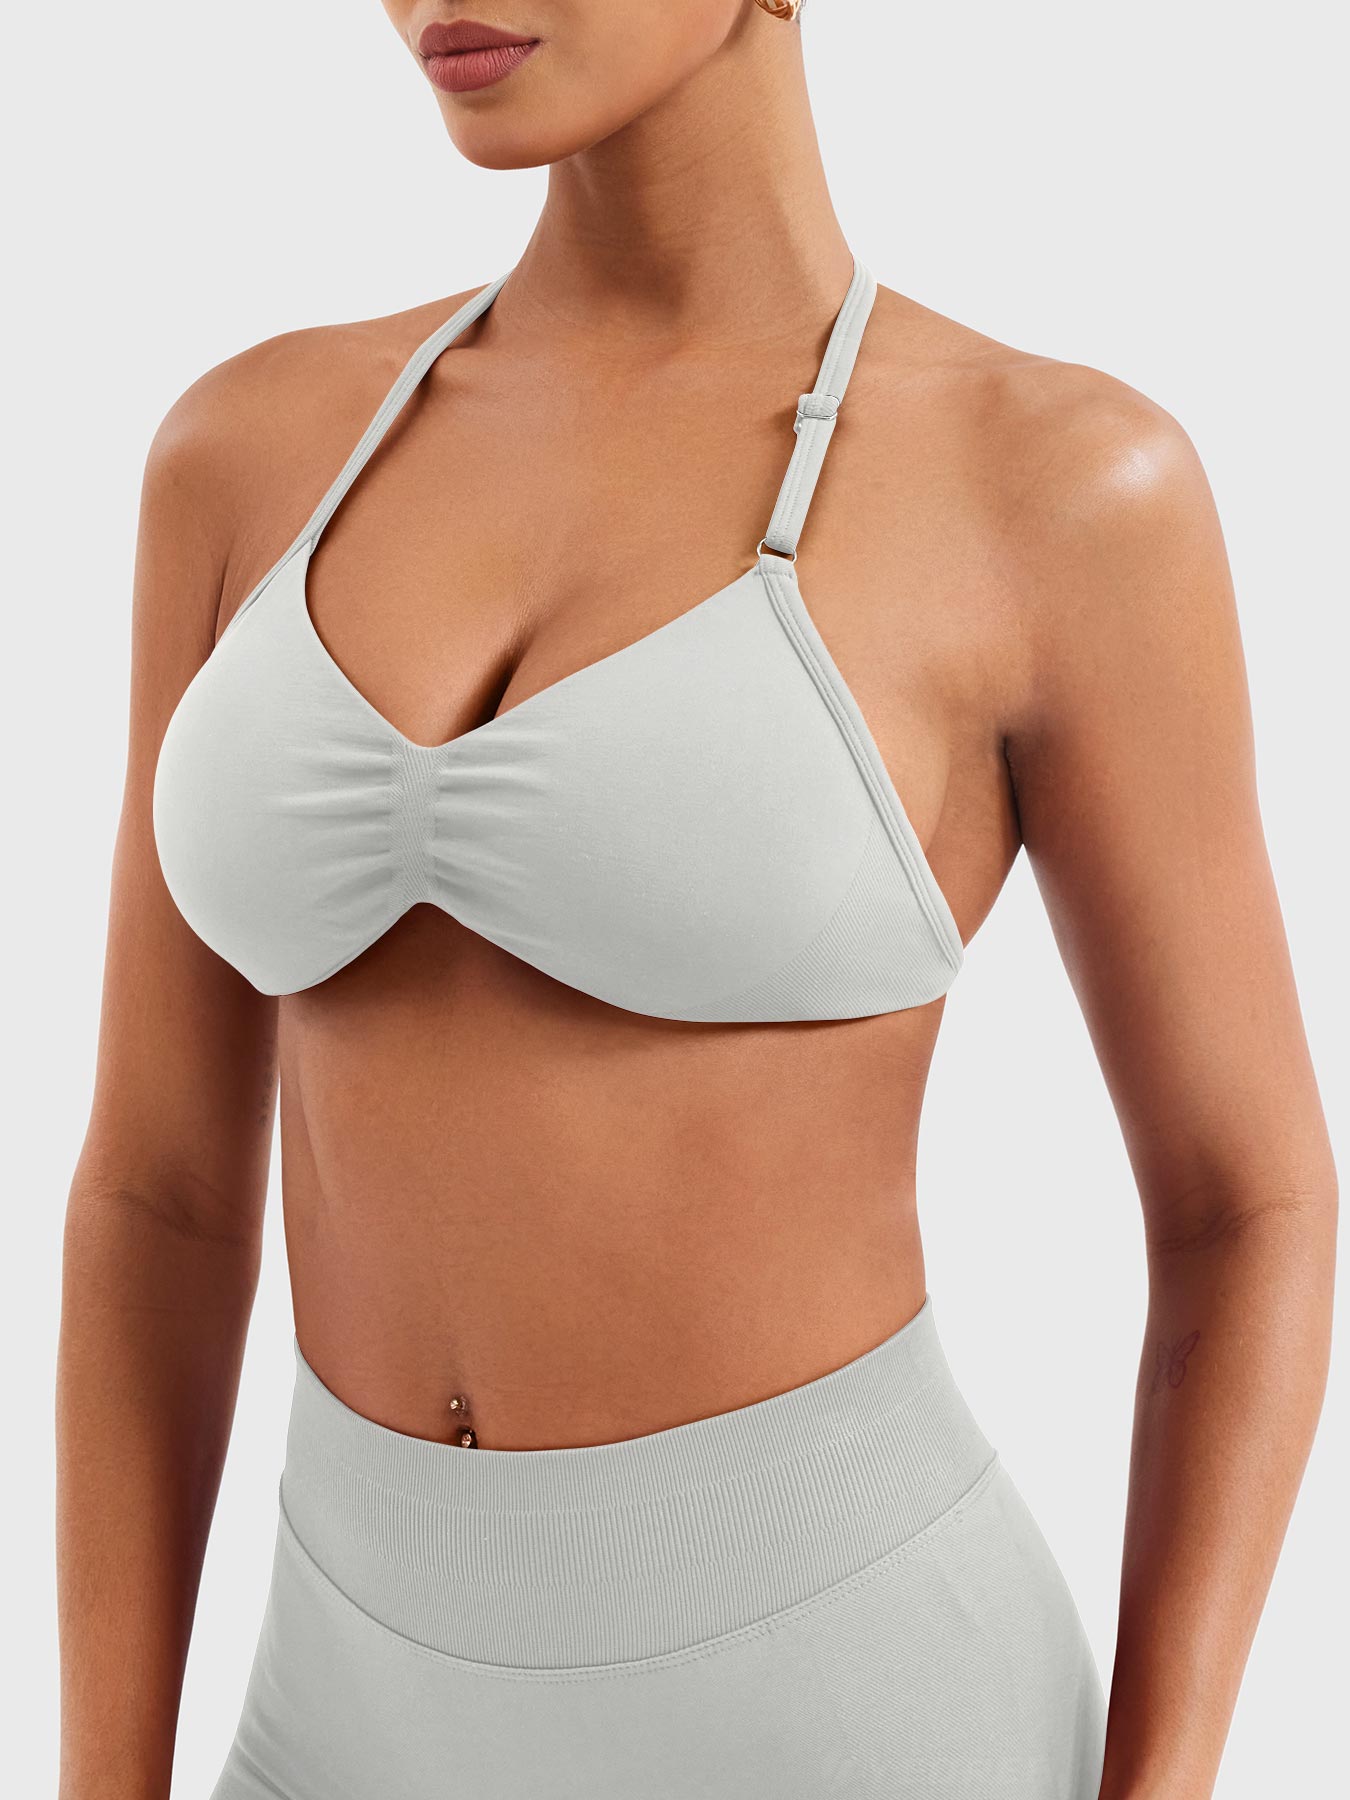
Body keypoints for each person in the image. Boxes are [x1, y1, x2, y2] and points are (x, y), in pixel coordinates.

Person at [56, 4, 1337, 1797]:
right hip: (337, 1704)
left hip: (846, 1708)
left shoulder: (1053, 485)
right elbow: (160, 1196)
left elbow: (1243, 1202)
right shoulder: (249, 450)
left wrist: (1165, 1786)